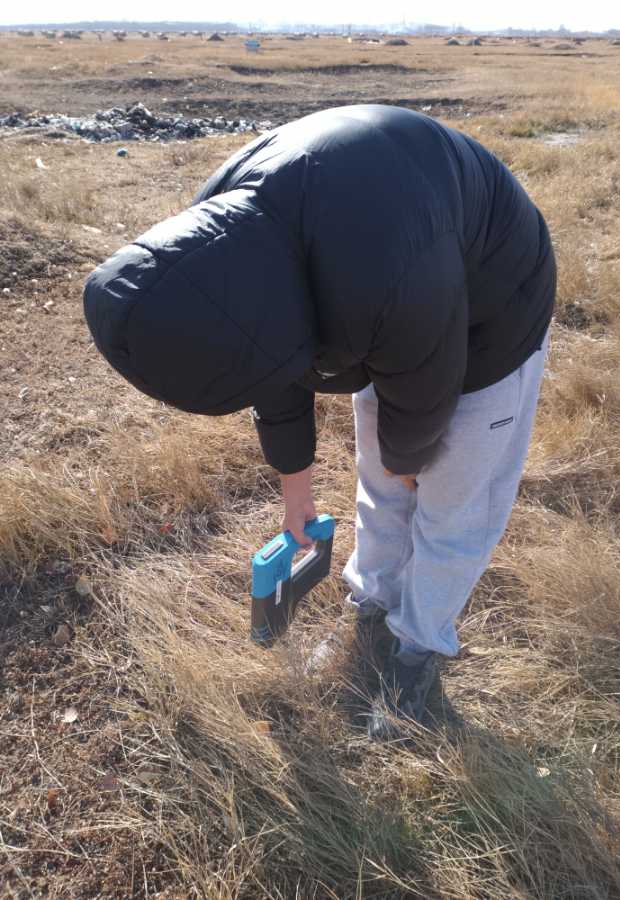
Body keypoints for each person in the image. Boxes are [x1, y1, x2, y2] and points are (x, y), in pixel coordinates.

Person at [83, 104, 555, 740]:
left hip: (494, 308)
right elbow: (266, 358)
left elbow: (425, 383)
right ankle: (371, 603)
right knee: (383, 485)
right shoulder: (212, 246)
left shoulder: (383, 274)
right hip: (401, 285)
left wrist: (408, 459)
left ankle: (417, 647)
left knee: (451, 509)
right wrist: (296, 487)